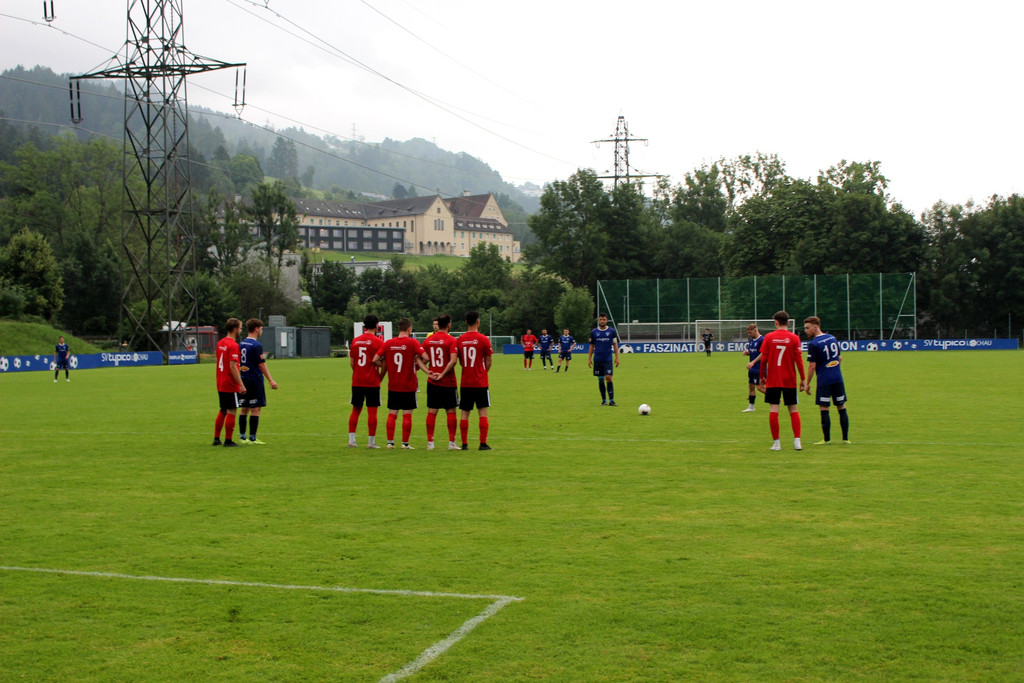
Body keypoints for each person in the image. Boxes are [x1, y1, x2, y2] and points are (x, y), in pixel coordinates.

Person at [373, 318, 429, 449]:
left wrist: (387, 366)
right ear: (409, 329)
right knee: (407, 414)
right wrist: (417, 366)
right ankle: (405, 443)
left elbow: (375, 359)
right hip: (408, 385)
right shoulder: (412, 342)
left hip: (394, 384)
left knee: (392, 413)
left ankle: (390, 442)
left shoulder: (388, 343)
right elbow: (426, 357)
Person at [758, 311, 805, 451]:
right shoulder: (795, 338)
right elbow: (799, 360)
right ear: (788, 323)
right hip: (789, 379)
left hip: (773, 379)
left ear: (776, 322)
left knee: (774, 409)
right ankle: (797, 441)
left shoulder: (769, 337)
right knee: (793, 409)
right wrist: (803, 379)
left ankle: (777, 443)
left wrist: (762, 376)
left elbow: (764, 359)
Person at [803, 316, 851, 445]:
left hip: (824, 380)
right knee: (841, 406)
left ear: (815, 327)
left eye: (807, 328)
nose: (806, 331)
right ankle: (845, 439)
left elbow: (812, 365)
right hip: (837, 378)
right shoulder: (832, 338)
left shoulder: (813, 344)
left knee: (824, 408)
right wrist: (834, 370)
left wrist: (807, 384)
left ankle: (826, 439)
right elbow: (840, 358)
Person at [456, 310, 494, 450]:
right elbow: (489, 361)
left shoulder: (460, 340)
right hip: (480, 382)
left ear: (466, 322)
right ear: (478, 322)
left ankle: (464, 444)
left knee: (465, 413)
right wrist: (482, 373)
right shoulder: (484, 339)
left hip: (466, 381)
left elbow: (459, 360)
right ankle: (483, 443)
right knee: (482, 412)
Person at [237, 318, 278, 444]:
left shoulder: (241, 343)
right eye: (261, 329)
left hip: (243, 379)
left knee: (244, 408)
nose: (261, 331)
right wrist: (271, 380)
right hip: (254, 379)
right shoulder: (256, 345)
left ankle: (242, 437)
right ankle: (253, 438)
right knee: (256, 409)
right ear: (256, 329)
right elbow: (261, 364)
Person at [348, 314, 386, 449]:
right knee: (372, 411)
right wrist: (380, 376)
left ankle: (351, 441)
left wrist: (358, 371)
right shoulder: (379, 342)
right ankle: (371, 442)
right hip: (372, 381)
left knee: (356, 409)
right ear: (376, 325)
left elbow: (352, 362)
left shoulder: (356, 341)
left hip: (357, 380)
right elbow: (384, 363)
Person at [424, 313, 460, 450]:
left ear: (438, 324)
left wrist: (428, 372)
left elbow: (423, 359)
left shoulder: (428, 340)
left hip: (432, 381)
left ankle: (430, 443)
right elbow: (453, 361)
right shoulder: (451, 340)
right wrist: (443, 374)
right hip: (448, 381)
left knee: (432, 411)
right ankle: (451, 443)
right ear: (449, 324)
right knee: (451, 411)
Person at [213, 317, 246, 447]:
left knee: (223, 410)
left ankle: (216, 438)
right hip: (229, 383)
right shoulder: (233, 345)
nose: (240, 330)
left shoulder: (220, 343)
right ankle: (228, 440)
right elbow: (233, 366)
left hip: (220, 381)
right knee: (232, 410)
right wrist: (241, 384)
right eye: (240, 328)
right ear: (234, 329)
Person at [588, 313, 620, 406]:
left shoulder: (612, 331)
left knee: (608, 377)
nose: (602, 321)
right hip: (597, 359)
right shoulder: (594, 332)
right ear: (598, 320)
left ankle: (612, 400)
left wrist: (617, 357)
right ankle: (604, 400)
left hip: (608, 359)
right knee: (601, 379)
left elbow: (615, 344)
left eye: (604, 319)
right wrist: (589, 359)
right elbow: (591, 346)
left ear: (607, 320)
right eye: (601, 319)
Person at [741, 323, 764, 412]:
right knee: (751, 386)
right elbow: (753, 352)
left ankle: (775, 397)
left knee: (760, 387)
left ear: (755, 330)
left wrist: (753, 362)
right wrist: (747, 352)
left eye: (750, 333)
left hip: (759, 367)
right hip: (752, 368)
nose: (749, 335)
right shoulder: (751, 340)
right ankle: (751, 407)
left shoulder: (762, 340)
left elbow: (763, 354)